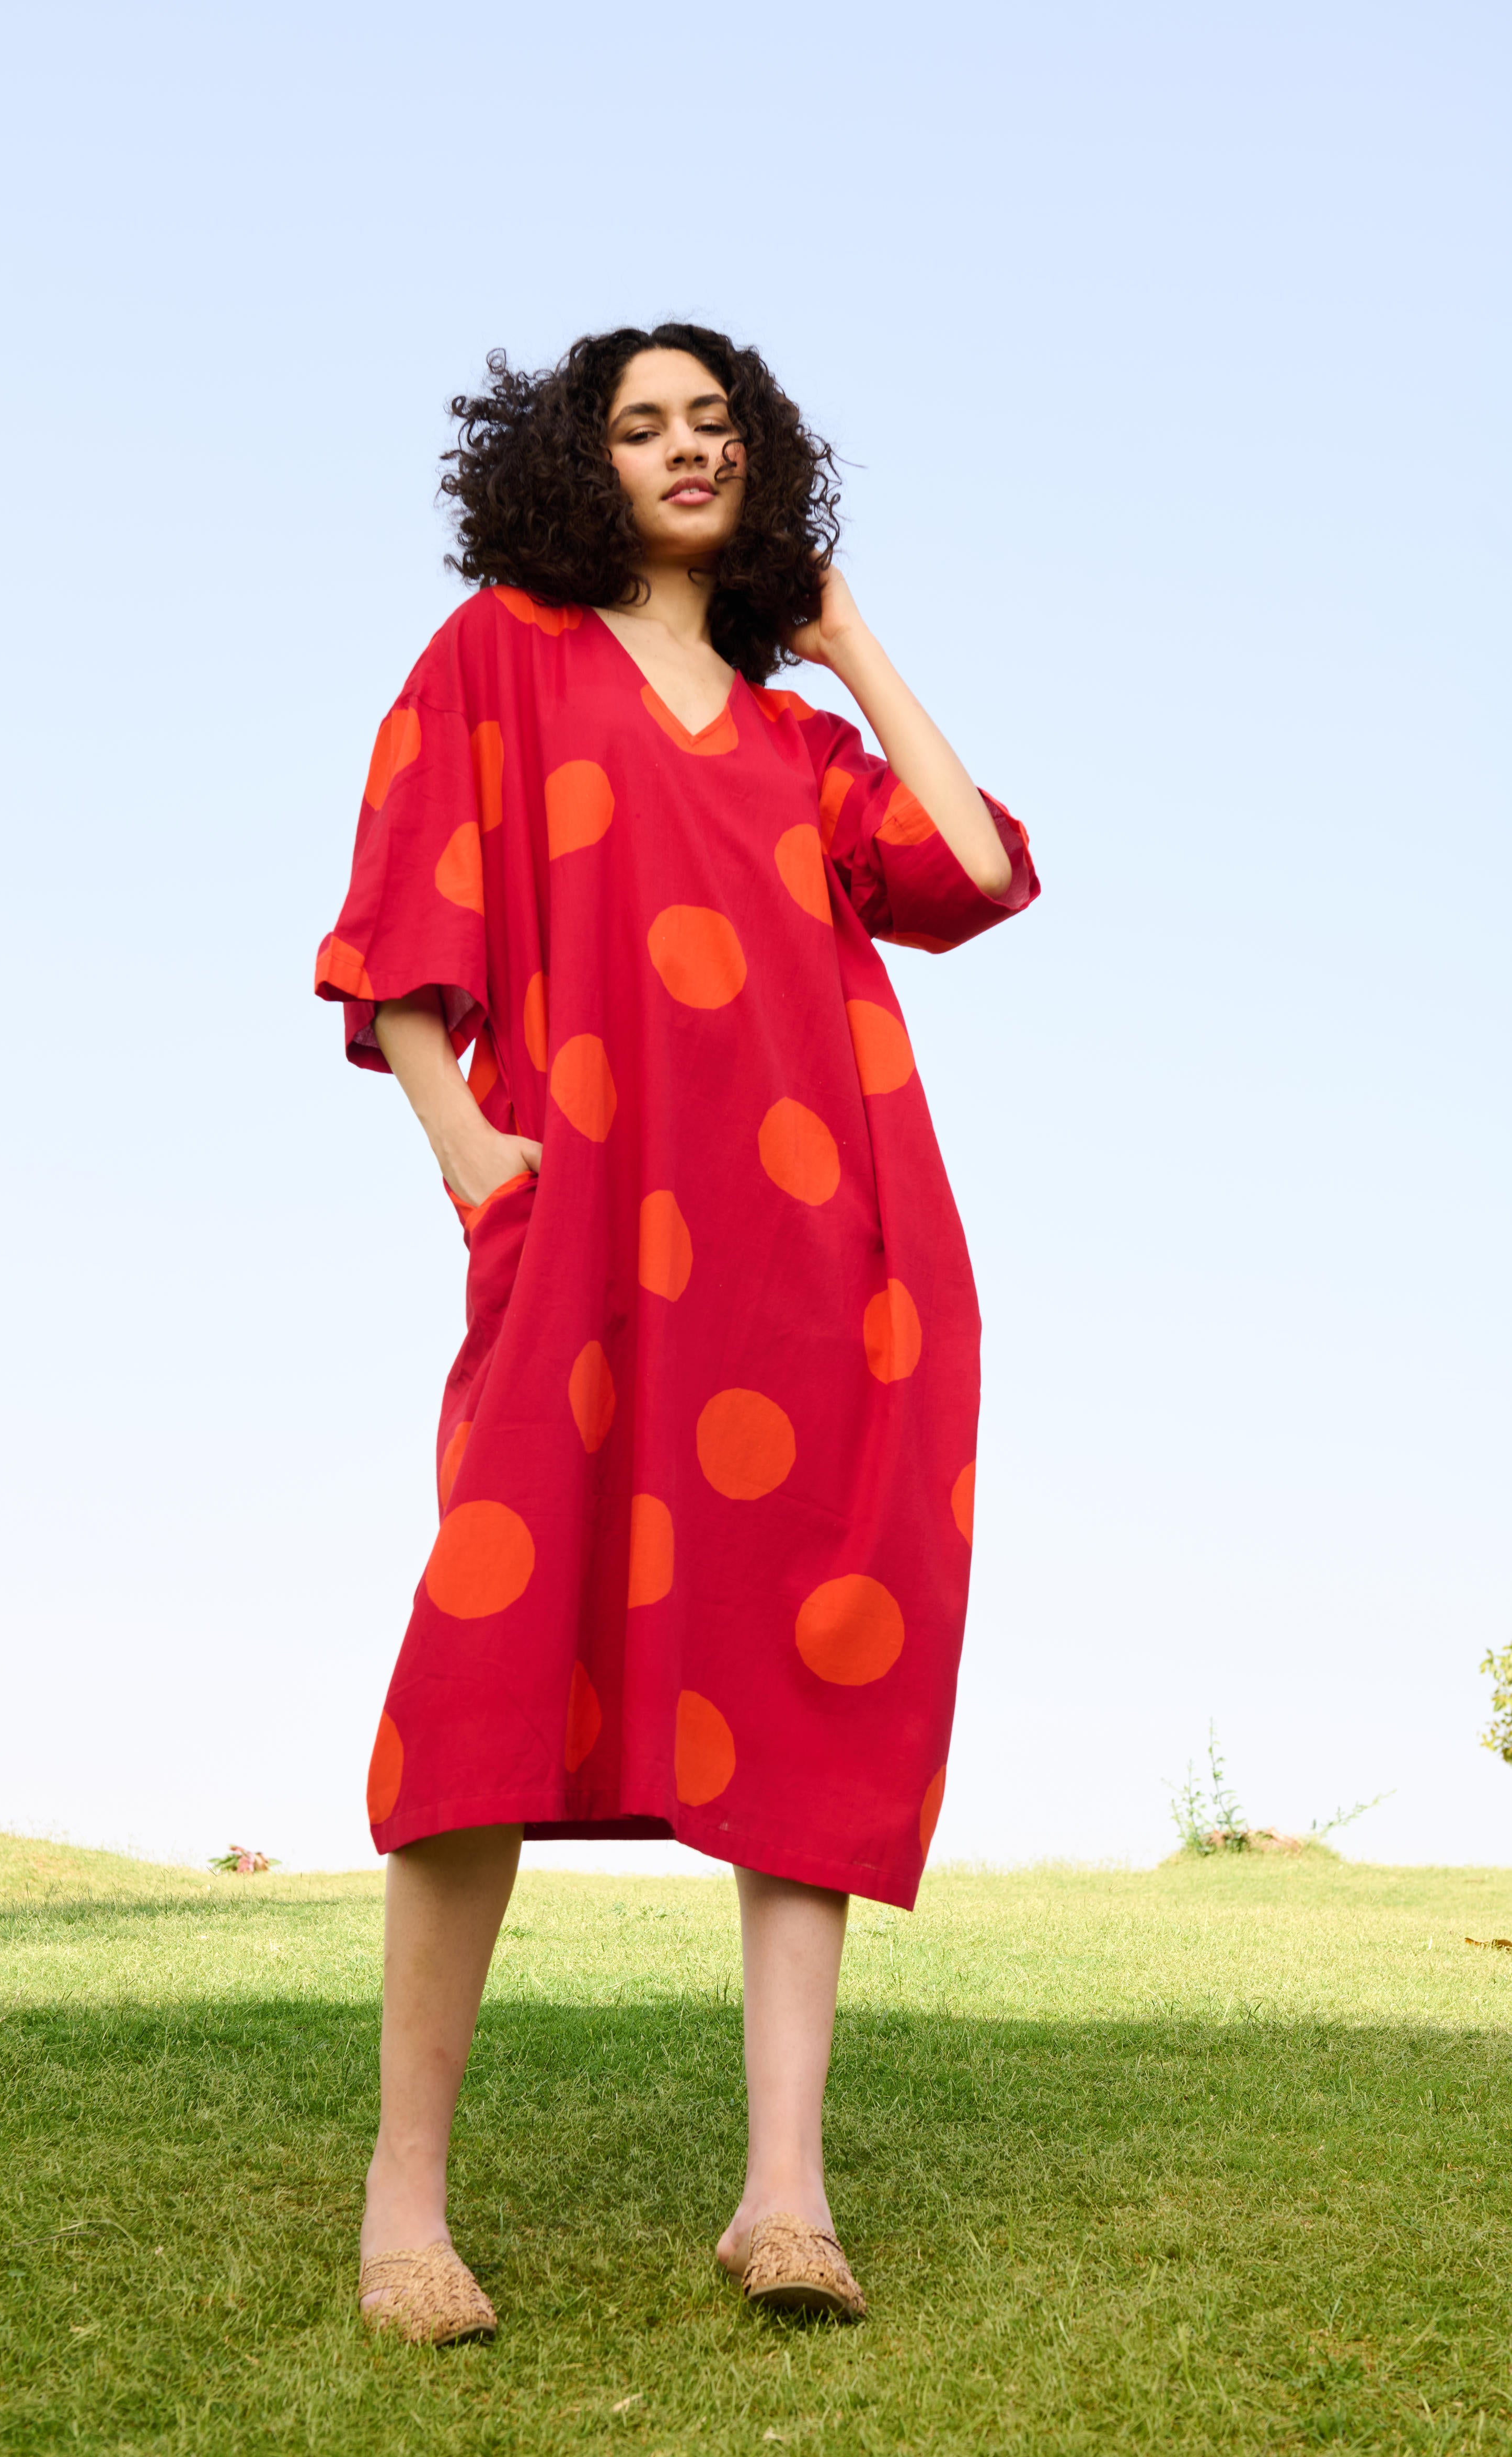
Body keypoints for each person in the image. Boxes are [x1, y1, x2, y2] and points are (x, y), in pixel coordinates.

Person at [314, 323, 1038, 2345]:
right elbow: (400, 927)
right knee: (485, 1673)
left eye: (714, 421)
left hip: (813, 1264)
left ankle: (783, 2193)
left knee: (805, 1668)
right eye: (641, 426)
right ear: (583, 464)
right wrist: (470, 1152)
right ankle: (401, 2195)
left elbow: (978, 865)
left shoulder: (803, 752)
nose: (684, 448)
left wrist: (845, 637)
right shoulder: (500, 657)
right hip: (581, 1240)